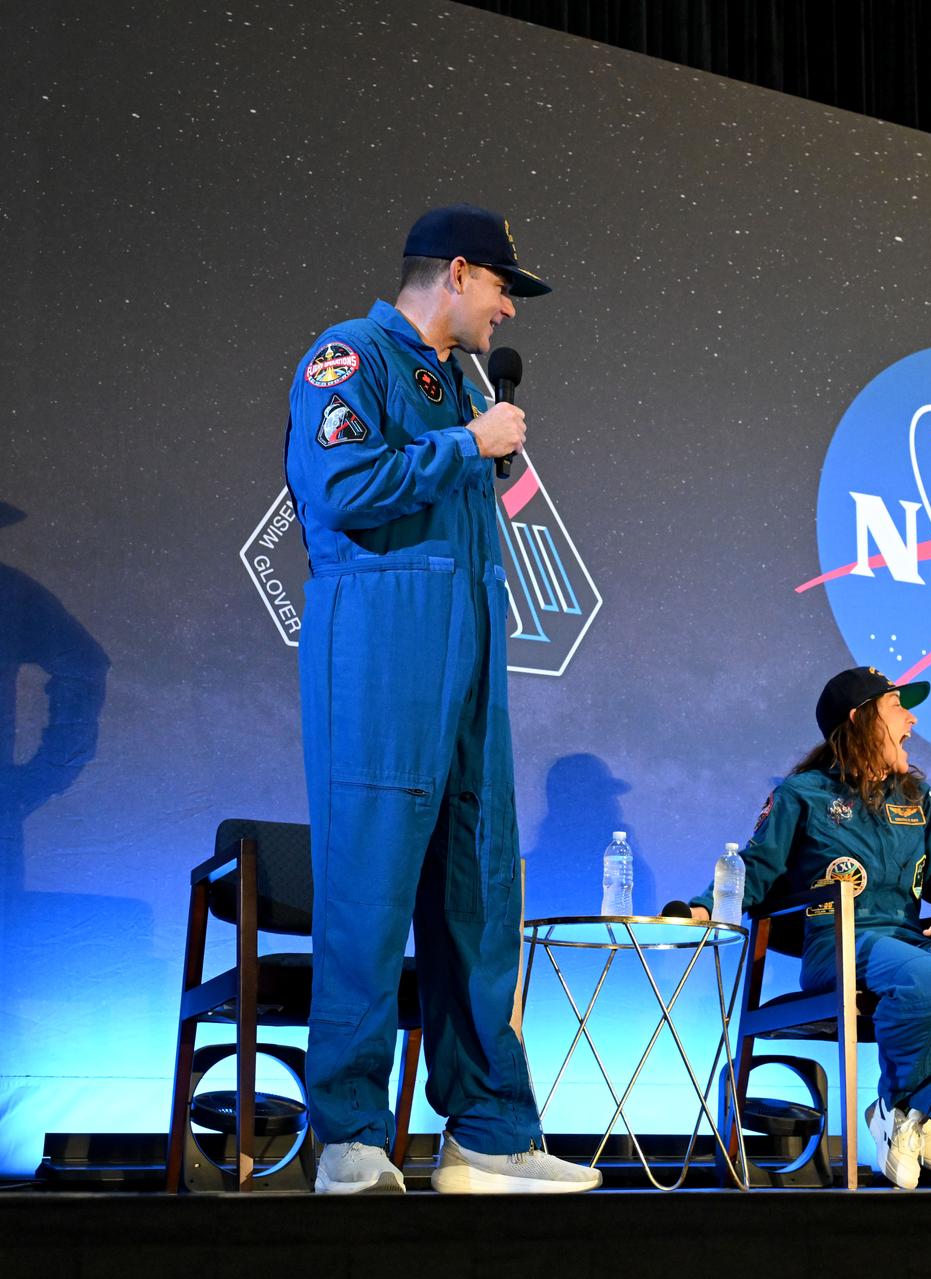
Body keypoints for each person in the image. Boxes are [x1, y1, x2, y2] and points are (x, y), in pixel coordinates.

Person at [286, 204, 597, 1195]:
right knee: (369, 893)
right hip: (381, 659)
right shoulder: (349, 356)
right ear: (456, 273)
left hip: (468, 666)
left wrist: (473, 441)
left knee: (477, 895)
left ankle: (489, 1132)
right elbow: (338, 489)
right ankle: (350, 1137)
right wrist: (465, 445)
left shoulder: (460, 383)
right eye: (503, 286)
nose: (509, 308)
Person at [691, 667, 931, 1190]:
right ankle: (918, 1110)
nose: (912, 720)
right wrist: (701, 908)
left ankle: (911, 1110)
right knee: (925, 977)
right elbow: (755, 871)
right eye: (898, 707)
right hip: (835, 944)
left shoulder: (917, 797)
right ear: (860, 719)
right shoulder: (802, 794)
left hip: (908, 942)